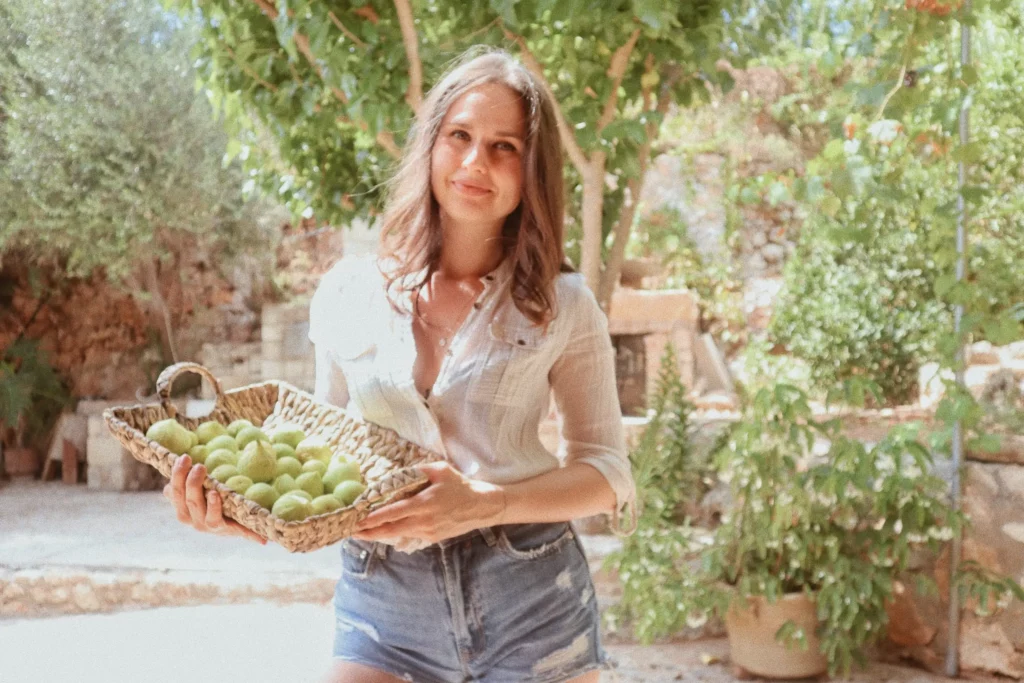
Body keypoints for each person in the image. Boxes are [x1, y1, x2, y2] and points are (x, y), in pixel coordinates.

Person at [164, 47, 636, 683]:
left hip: (530, 596)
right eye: (460, 136)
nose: (475, 162)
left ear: (532, 172)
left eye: (505, 148)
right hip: (382, 594)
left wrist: (484, 503)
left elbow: (606, 472)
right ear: (431, 145)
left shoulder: (564, 304)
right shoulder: (346, 291)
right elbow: (319, 452)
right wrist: (241, 511)